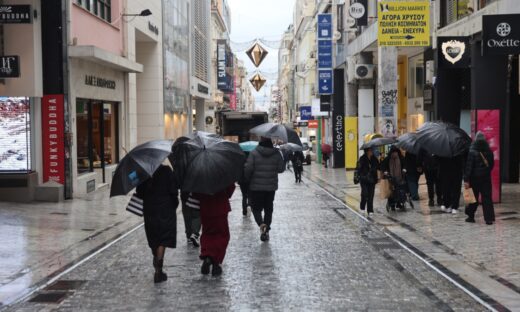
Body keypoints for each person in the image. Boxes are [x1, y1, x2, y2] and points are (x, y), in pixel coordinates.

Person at [136, 165, 179, 283]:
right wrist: (174, 204)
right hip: (165, 208)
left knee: (153, 235)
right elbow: (173, 191)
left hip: (150, 209)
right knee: (163, 237)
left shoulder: (143, 172)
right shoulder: (167, 170)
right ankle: (158, 270)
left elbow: (139, 193)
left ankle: (156, 259)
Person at [244, 137, 285, 242]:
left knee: (256, 208)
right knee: (268, 209)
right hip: (271, 188)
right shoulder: (276, 153)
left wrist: (248, 179)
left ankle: (261, 224)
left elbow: (248, 169)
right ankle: (266, 229)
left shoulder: (254, 153)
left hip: (256, 187)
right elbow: (281, 169)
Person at [193, 185, 235, 276]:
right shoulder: (223, 172)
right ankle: (216, 263)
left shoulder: (201, 173)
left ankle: (207, 255)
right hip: (220, 207)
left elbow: (195, 192)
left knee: (207, 233)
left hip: (206, 207)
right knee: (222, 235)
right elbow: (230, 188)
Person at [464, 132, 495, 225]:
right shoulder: (489, 151)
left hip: (474, 179)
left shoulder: (472, 151)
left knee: (473, 198)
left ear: (476, 139)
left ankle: (471, 216)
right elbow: (491, 165)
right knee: (487, 198)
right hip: (486, 178)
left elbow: (469, 167)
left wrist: (466, 179)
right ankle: (488, 219)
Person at [355, 148, 379, 216]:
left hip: (372, 179)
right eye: (370, 150)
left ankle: (370, 210)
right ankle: (362, 207)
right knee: (365, 194)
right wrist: (360, 175)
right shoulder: (362, 159)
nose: (372, 151)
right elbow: (358, 168)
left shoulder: (374, 159)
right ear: (367, 151)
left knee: (371, 195)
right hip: (364, 179)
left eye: (372, 150)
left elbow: (378, 166)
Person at [238, 152, 250, 216]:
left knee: (244, 196)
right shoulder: (251, 159)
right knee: (250, 195)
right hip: (249, 180)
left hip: (242, 180)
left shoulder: (239, 158)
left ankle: (244, 211)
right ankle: (249, 206)